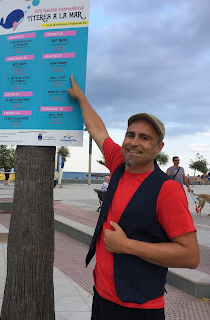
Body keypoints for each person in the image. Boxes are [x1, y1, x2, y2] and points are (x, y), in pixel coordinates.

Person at [67, 75, 199, 320]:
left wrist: (127, 246)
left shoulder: (167, 190)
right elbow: (98, 130)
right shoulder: (118, 164)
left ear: (159, 148)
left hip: (139, 310)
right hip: (102, 298)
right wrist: (82, 98)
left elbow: (190, 256)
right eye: (130, 135)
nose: (134, 142)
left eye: (144, 138)